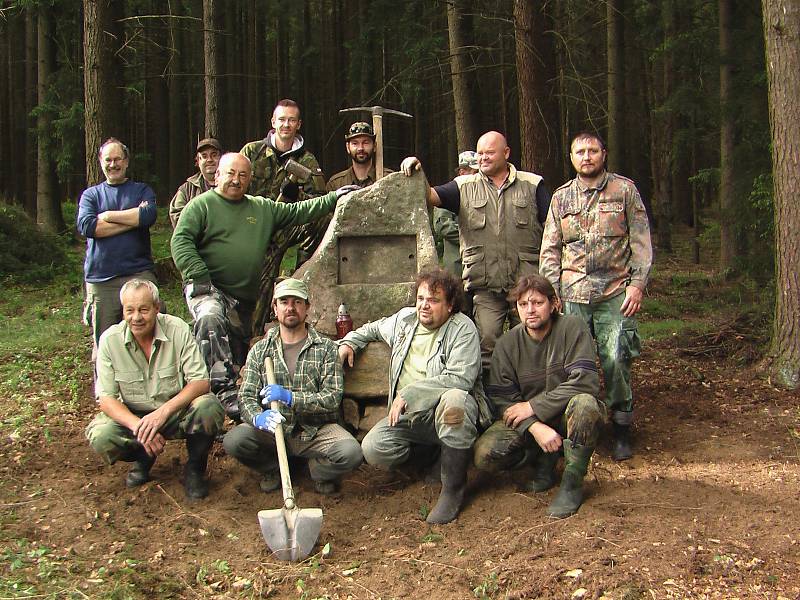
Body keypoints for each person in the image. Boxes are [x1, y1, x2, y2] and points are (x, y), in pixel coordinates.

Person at [171, 152, 356, 422]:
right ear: (217, 175)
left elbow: (297, 212)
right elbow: (181, 241)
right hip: (208, 288)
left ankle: (235, 406)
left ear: (249, 180)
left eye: (242, 175)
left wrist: (333, 197)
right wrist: (198, 275)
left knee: (236, 348)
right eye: (230, 173)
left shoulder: (261, 208)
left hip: (242, 296)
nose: (236, 180)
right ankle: (222, 392)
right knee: (210, 317)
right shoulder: (202, 206)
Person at [338, 268, 491, 524]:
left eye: (433, 300)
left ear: (450, 304)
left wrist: (410, 393)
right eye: (421, 298)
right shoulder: (404, 321)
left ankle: (453, 488)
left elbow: (460, 378)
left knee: (454, 402)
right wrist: (349, 342)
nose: (424, 306)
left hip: (442, 412)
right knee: (374, 448)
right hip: (409, 417)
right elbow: (372, 329)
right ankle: (435, 456)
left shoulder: (463, 328)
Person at [539, 131, 652, 461]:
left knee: (616, 359)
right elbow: (550, 249)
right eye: (579, 152)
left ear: (604, 154)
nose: (586, 157)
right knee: (570, 364)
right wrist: (551, 294)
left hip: (615, 291)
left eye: (592, 151)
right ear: (571, 158)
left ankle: (621, 428)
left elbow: (641, 242)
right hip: (572, 295)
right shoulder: (561, 198)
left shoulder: (624, 190)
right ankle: (574, 425)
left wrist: (638, 284)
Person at [401, 131, 552, 372]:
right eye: (480, 153)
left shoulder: (532, 184)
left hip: (526, 286)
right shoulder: (463, 186)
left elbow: (553, 229)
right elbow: (429, 195)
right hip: (485, 286)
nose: (483, 158)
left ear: (506, 153)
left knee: (531, 342)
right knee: (487, 342)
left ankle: (531, 396)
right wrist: (417, 171)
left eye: (489, 153)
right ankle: (492, 400)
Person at [473, 275, 605, 518]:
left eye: (537, 303)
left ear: (553, 303)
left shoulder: (572, 327)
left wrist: (533, 406)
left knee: (586, 405)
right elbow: (504, 401)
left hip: (567, 414)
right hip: (533, 424)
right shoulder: (507, 344)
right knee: (484, 455)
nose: (530, 310)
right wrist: (534, 427)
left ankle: (572, 482)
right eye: (523, 305)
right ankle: (543, 459)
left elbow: (585, 381)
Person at [85, 279, 223, 499]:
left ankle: (195, 468)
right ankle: (143, 457)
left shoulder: (177, 329)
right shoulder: (110, 340)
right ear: (123, 311)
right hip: (134, 417)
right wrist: (139, 426)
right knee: (102, 435)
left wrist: (162, 413)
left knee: (208, 406)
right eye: (129, 310)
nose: (136, 317)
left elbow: (200, 381)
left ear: (157, 309)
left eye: (144, 309)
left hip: (174, 412)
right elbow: (106, 399)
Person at [223, 278, 362, 495]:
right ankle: (275, 468)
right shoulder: (260, 351)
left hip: (315, 431)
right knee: (235, 440)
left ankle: (317, 470)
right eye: (284, 302)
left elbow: (332, 397)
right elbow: (246, 397)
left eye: (297, 302)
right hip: (274, 431)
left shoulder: (325, 348)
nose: (290, 308)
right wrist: (258, 417)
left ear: (307, 307)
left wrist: (291, 398)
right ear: (275, 308)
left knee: (351, 452)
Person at [240, 99, 328, 333]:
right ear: (273, 122)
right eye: (281, 119)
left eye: (291, 120)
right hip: (252, 229)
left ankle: (303, 268)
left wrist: (296, 194)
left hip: (286, 227)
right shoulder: (252, 152)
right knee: (258, 287)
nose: (286, 125)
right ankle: (252, 337)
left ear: (298, 124)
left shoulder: (307, 160)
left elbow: (319, 200)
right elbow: (235, 188)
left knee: (323, 218)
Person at [76, 138, 158, 353]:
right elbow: (88, 227)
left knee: (149, 336)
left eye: (117, 159)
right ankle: (105, 387)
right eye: (108, 160)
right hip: (101, 279)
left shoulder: (141, 190)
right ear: (101, 162)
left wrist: (108, 216)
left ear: (126, 161)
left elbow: (148, 215)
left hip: (139, 274)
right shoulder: (91, 195)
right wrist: (133, 219)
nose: (113, 165)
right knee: (105, 344)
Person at [432, 150, 479, 279]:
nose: (477, 176)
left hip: (478, 266)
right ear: (462, 172)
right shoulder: (449, 193)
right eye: (474, 172)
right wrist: (476, 239)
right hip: (457, 266)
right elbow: (443, 226)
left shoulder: (480, 193)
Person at [169, 138, 222, 228]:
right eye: (204, 156)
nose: (209, 160)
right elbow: (177, 218)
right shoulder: (186, 190)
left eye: (214, 155)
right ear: (198, 161)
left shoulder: (234, 185)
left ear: (221, 158)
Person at [326, 121, 393, 191]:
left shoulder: (389, 178)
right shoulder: (336, 184)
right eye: (355, 143)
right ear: (348, 147)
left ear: (374, 146)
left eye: (366, 143)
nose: (360, 148)